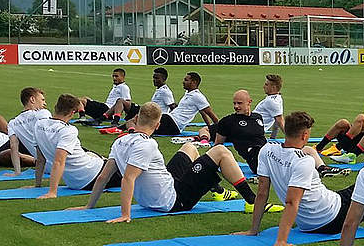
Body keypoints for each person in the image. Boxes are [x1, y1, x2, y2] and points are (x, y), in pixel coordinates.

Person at [77, 102, 257, 221]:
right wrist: (126, 214)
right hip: (173, 200)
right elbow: (128, 178)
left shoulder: (120, 141)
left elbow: (103, 178)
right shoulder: (148, 145)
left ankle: (217, 191)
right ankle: (252, 202)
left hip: (158, 193)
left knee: (189, 147)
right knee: (220, 151)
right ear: (157, 126)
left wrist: (89, 205)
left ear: (137, 119)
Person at [238, 111, 364, 246]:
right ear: (305, 135)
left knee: (352, 190)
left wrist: (253, 230)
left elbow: (262, 192)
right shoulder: (304, 162)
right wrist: (281, 240)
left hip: (309, 221)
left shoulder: (267, 150)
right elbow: (291, 202)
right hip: (332, 218)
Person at [31, 94, 121, 196]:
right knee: (126, 164)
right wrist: (52, 192)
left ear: (56, 107)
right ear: (72, 112)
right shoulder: (68, 130)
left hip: (74, 181)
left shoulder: (38, 125)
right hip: (92, 175)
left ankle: (102, 159)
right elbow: (59, 161)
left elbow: (40, 159)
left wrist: (37, 184)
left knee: (88, 153)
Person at [198, 89, 268, 174]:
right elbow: (217, 147)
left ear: (249, 102)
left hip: (267, 152)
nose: (236, 106)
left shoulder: (258, 117)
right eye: (234, 103)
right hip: (254, 157)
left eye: (239, 103)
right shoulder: (228, 122)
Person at [145, 72, 219, 136]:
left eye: (186, 80)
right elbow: (202, 113)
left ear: (194, 82)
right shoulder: (188, 93)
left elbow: (210, 113)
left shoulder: (198, 96)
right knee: (145, 116)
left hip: (173, 124)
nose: (183, 82)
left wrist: (219, 129)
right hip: (169, 119)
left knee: (145, 120)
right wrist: (209, 126)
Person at [5, 87, 51, 175]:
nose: (45, 103)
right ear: (32, 99)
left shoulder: (13, 123)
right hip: (63, 162)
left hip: (45, 168)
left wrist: (17, 172)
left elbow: (13, 147)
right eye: (42, 100)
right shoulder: (43, 113)